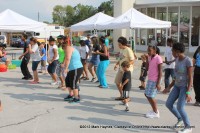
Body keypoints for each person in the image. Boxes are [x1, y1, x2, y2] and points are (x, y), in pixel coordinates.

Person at [163, 43, 193, 133]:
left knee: (180, 107)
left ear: (178, 52)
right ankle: (180, 119)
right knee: (168, 104)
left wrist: (188, 93)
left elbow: (190, 77)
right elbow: (176, 76)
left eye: (172, 50)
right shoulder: (176, 59)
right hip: (176, 86)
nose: (171, 52)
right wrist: (169, 87)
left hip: (184, 87)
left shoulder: (188, 61)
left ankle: (188, 126)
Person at [144, 45, 163, 118]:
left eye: (150, 50)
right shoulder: (149, 57)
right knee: (146, 94)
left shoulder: (158, 58)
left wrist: (158, 83)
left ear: (154, 51)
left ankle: (156, 112)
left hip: (155, 80)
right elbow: (147, 68)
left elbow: (160, 72)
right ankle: (154, 110)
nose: (148, 52)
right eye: (147, 50)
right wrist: (146, 59)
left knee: (151, 95)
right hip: (150, 79)